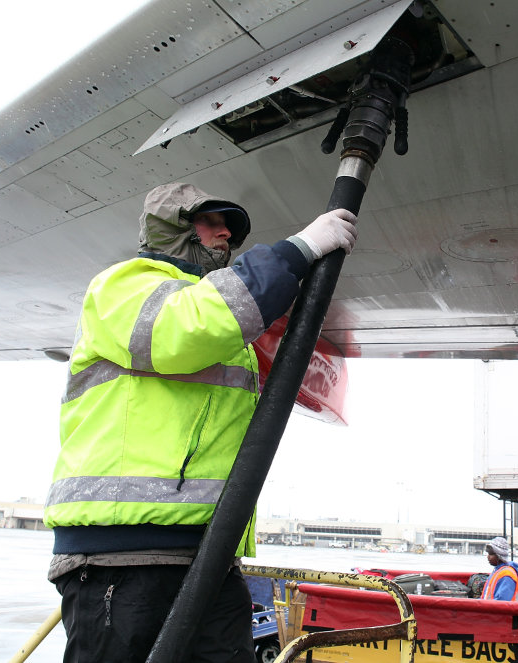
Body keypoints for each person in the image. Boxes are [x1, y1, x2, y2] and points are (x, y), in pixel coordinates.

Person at [43, 182, 358, 663]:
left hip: (205, 557)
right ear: (174, 228)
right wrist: (297, 251)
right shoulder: (124, 285)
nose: (226, 233)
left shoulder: (216, 313)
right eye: (212, 222)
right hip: (122, 562)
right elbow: (186, 331)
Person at [479, 536, 518, 601]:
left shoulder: (507, 575)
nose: (488, 557)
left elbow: (502, 603)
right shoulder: (498, 571)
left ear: (499, 556)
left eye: (491, 554)